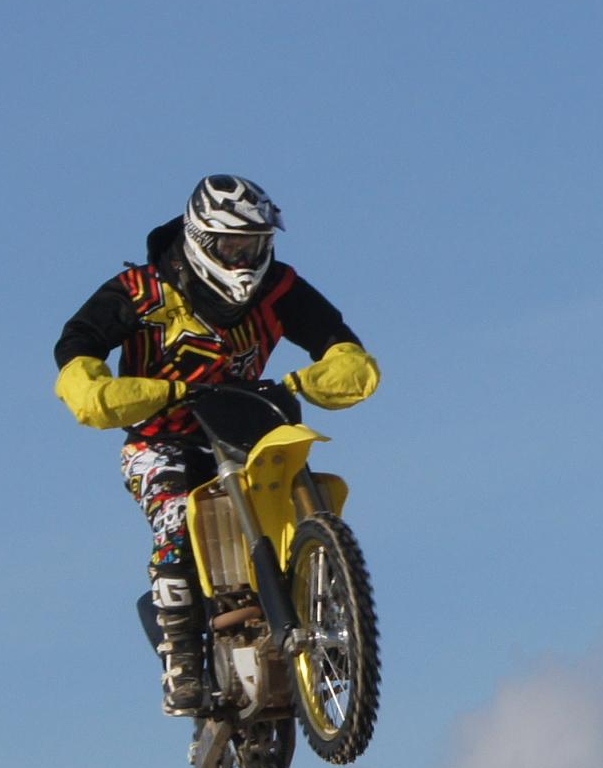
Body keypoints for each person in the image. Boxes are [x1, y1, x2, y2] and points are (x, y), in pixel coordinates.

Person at [51, 176, 380, 717]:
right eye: (232, 246)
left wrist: (322, 375)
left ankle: (328, 608)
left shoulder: (279, 288)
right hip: (161, 439)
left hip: (247, 427)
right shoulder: (140, 290)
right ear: (201, 240)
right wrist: (97, 387)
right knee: (176, 519)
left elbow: (340, 342)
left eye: (253, 245)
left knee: (299, 489)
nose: (243, 258)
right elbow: (76, 345)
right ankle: (182, 661)